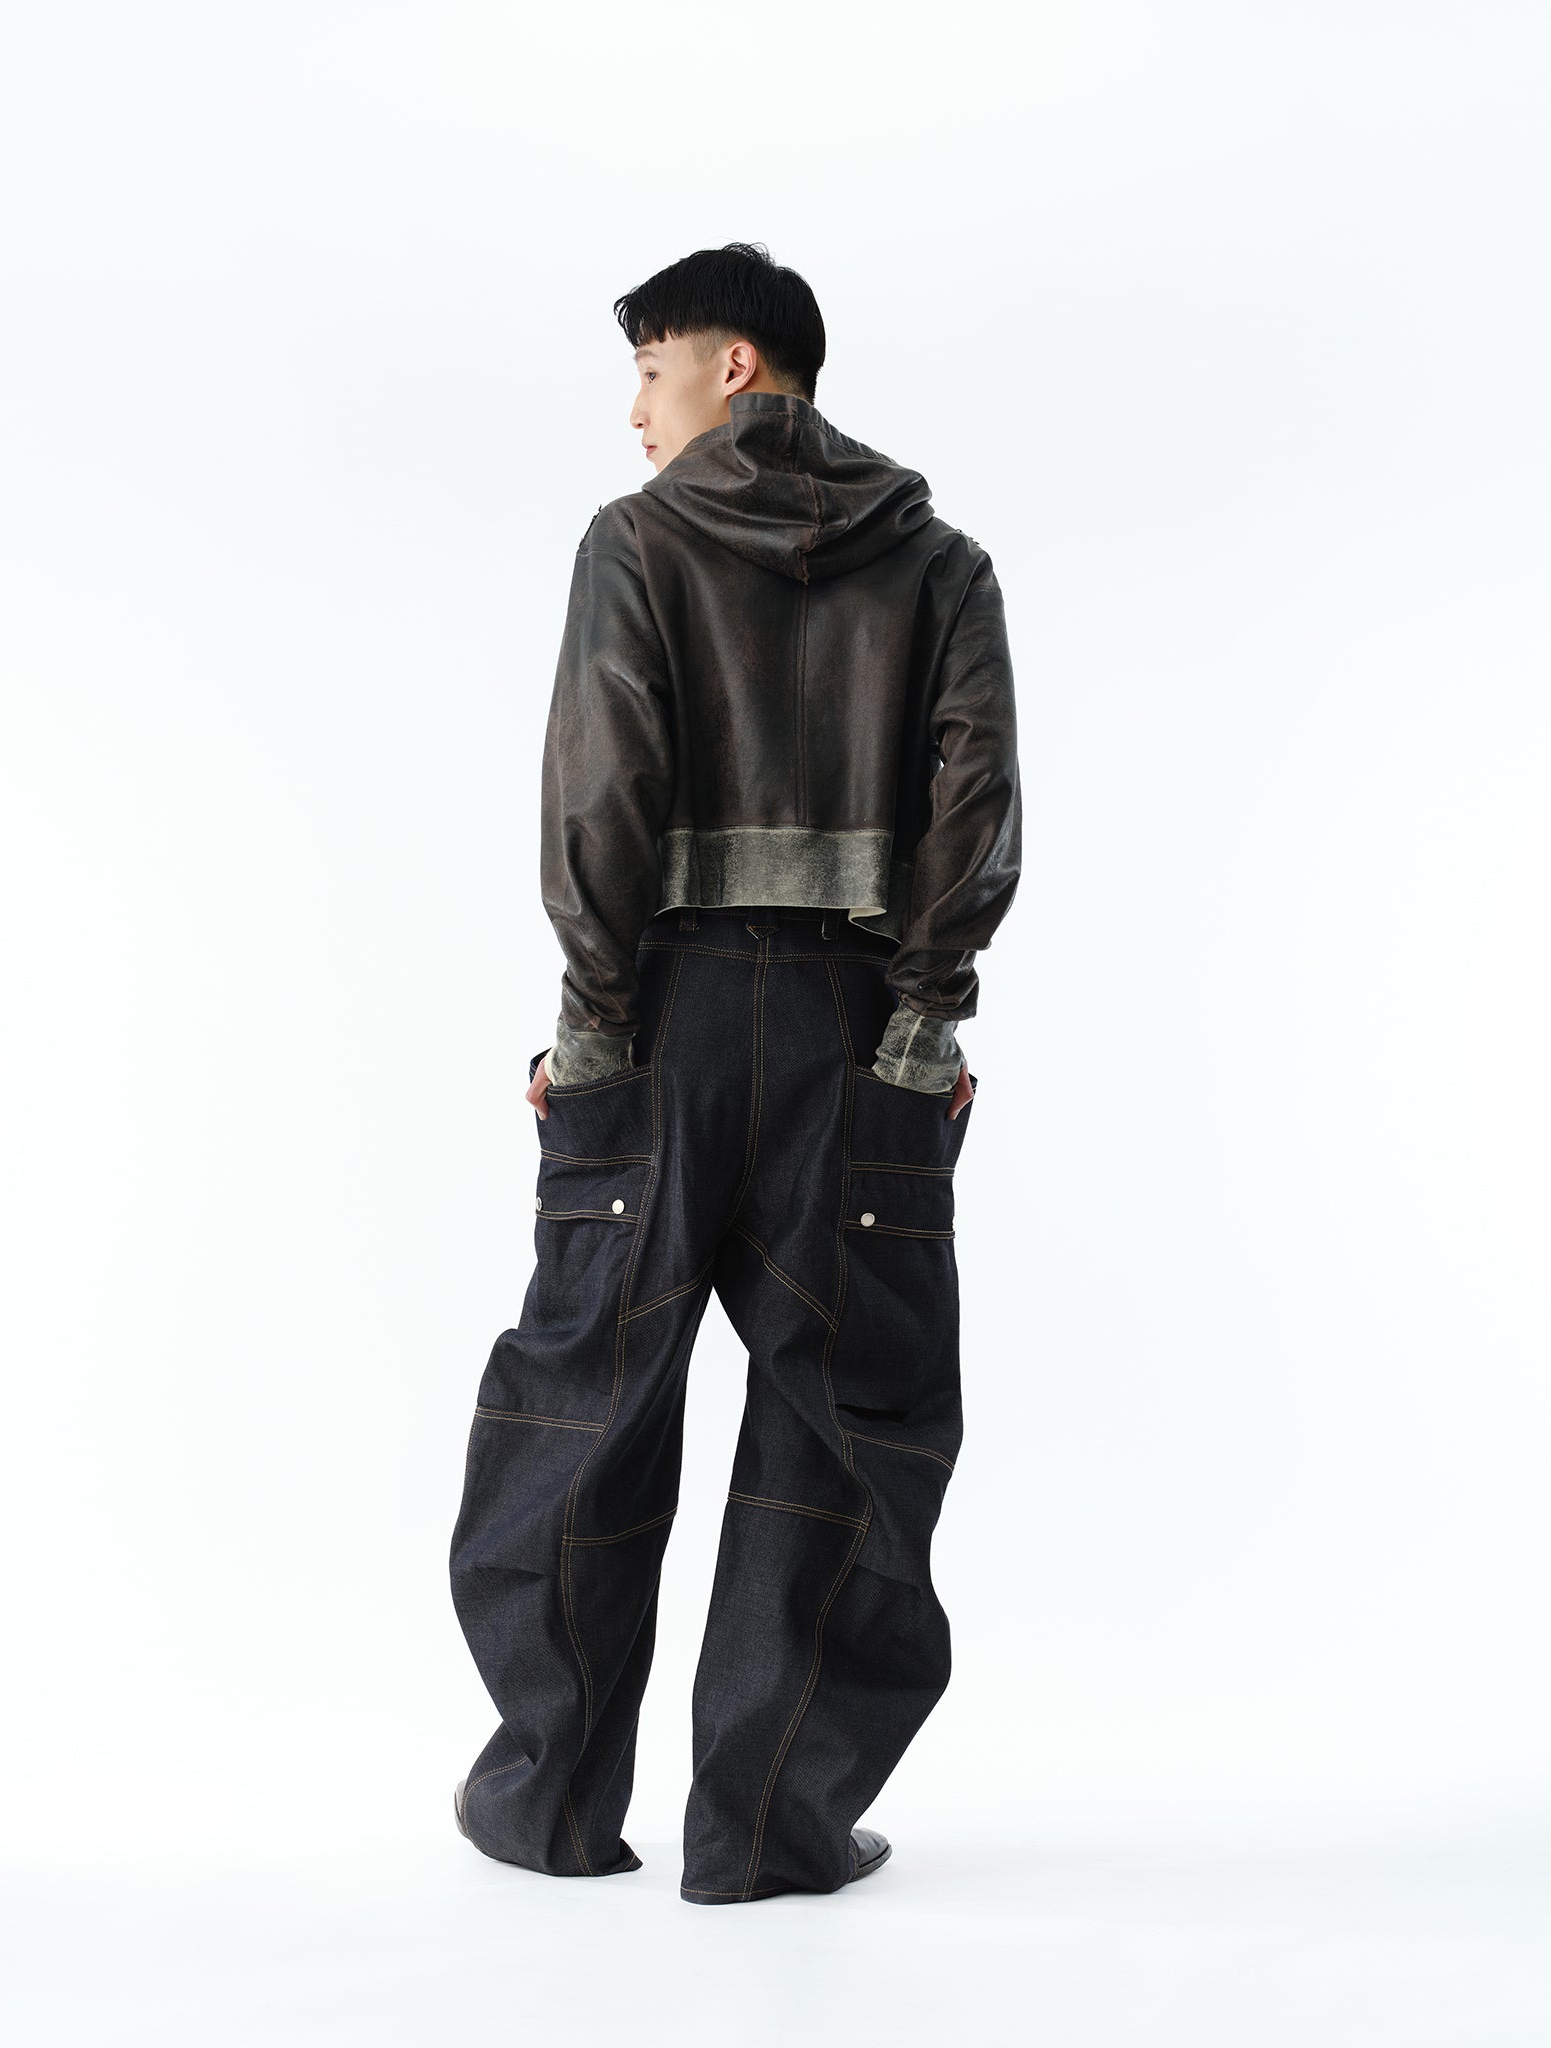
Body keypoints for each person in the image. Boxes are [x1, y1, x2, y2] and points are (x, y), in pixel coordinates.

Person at [449, 241, 1022, 1905]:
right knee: (851, 1419)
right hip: (856, 1037)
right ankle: (768, 1827)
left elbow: (601, 800)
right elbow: (975, 805)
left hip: (666, 1020)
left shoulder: (635, 544)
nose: (636, 408)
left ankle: (550, 1807)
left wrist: (591, 1027)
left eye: (653, 367)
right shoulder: (941, 565)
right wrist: (920, 1027)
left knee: (580, 1400)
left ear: (738, 368)